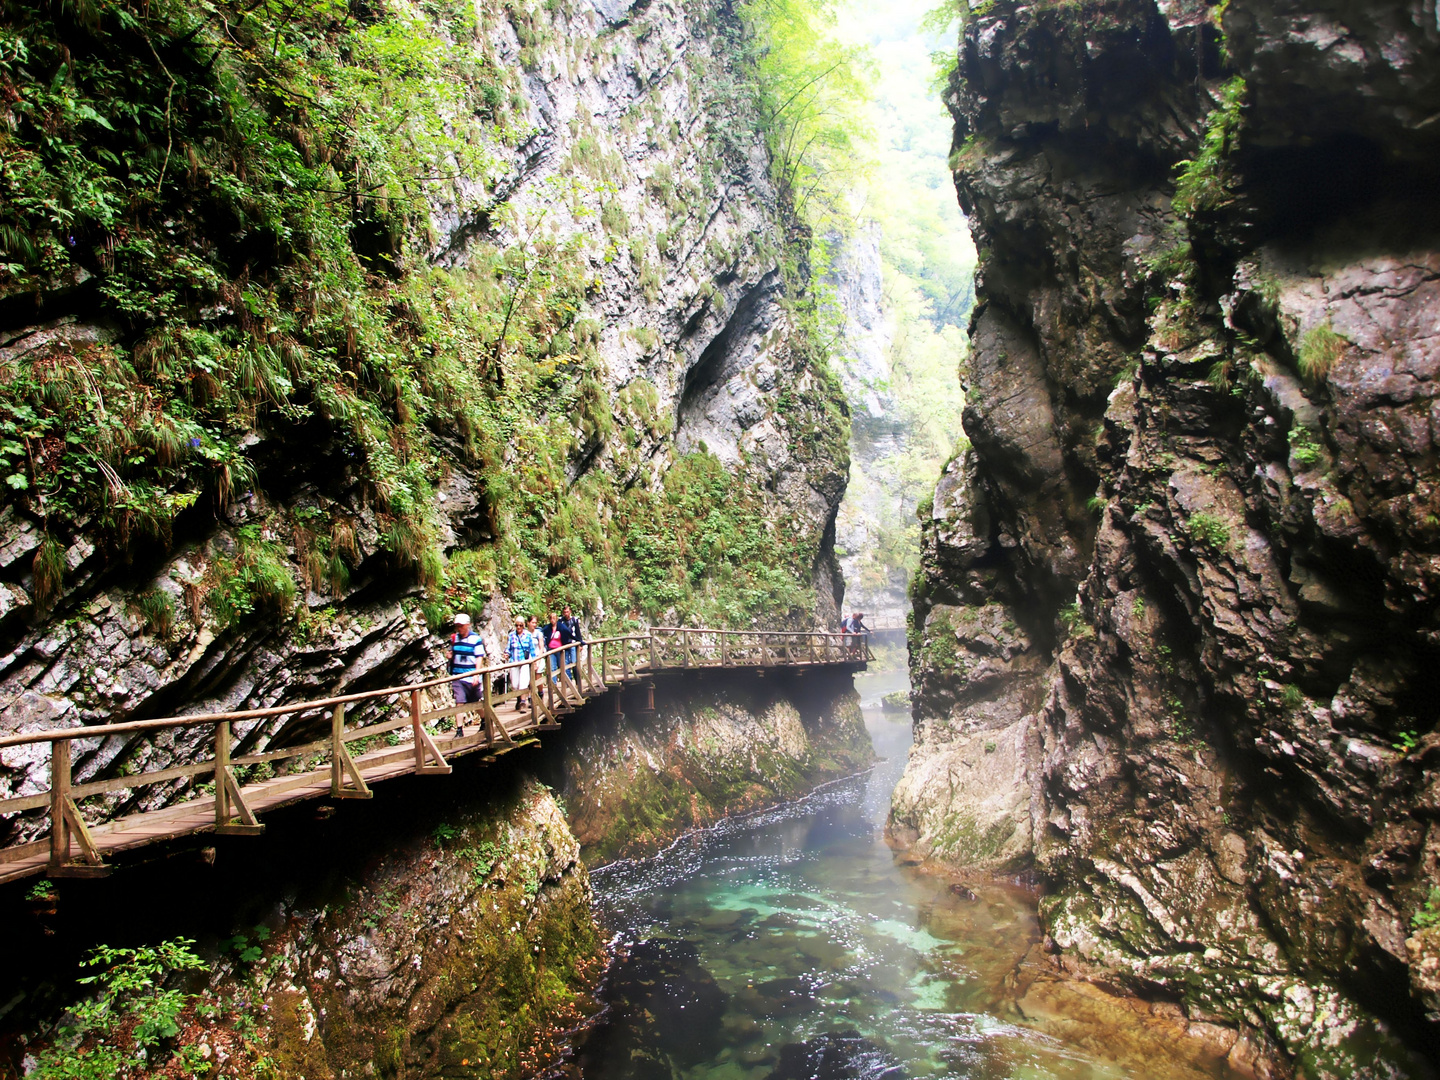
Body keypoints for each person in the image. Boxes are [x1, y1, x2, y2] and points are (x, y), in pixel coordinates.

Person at [448, 613, 486, 706]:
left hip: (471, 676)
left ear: (468, 625)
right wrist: (450, 656)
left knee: (475, 702)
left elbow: (479, 657)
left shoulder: (476, 639)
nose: (459, 628)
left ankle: (484, 719)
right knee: (459, 701)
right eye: (457, 626)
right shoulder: (454, 638)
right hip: (457, 676)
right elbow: (452, 653)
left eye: (461, 626)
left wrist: (476, 674)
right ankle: (459, 722)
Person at [507, 615, 535, 711]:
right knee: (515, 684)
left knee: (523, 682)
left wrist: (534, 662)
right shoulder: (511, 635)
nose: (518, 627)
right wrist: (506, 654)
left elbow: (532, 649)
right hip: (514, 662)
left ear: (523, 626)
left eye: (520, 625)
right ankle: (519, 698)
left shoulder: (528, 635)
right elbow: (508, 649)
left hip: (524, 661)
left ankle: (523, 703)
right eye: (517, 625)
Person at [558, 605, 584, 680]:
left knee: (574, 662)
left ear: (570, 612)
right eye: (565, 612)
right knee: (565, 663)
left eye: (567, 612)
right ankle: (568, 680)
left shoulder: (574, 620)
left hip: (573, 643)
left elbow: (578, 632)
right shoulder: (561, 621)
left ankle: (577, 680)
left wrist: (581, 644)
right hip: (564, 644)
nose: (566, 613)